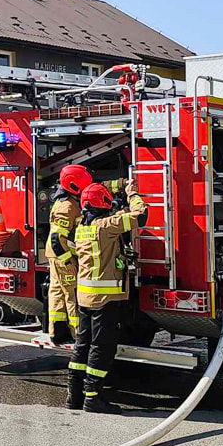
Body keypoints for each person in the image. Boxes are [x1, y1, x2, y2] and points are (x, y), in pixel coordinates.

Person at [66, 178, 147, 413]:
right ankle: (93, 399)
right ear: (103, 203)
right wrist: (132, 193)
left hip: (84, 297)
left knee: (82, 345)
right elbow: (140, 215)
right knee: (101, 347)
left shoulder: (82, 227)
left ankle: (74, 396)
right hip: (106, 299)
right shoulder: (107, 226)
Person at [45, 165, 126, 345]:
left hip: (58, 255)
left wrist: (121, 184)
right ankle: (78, 336)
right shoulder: (66, 207)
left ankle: (57, 331)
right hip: (62, 256)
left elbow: (96, 187)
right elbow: (57, 240)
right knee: (72, 293)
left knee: (57, 291)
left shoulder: (70, 198)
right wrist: (68, 262)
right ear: (74, 186)